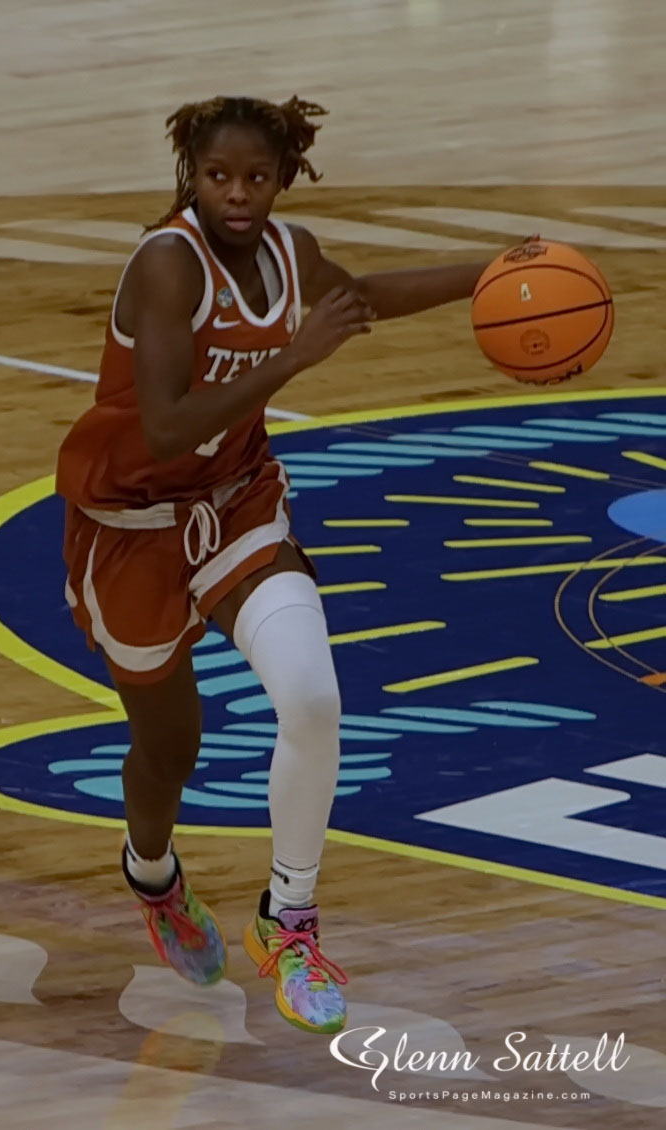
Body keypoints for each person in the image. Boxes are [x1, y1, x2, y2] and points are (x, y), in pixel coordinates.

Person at [55, 95, 491, 1034]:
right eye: (219, 177)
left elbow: (360, 299)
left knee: (312, 696)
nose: (238, 194)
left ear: (284, 178)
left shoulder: (292, 253)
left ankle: (288, 920)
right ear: (193, 177)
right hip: (132, 523)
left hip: (238, 501)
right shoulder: (168, 264)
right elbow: (166, 427)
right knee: (170, 750)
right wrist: (292, 358)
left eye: (257, 177)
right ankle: (153, 876)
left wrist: (491, 273)